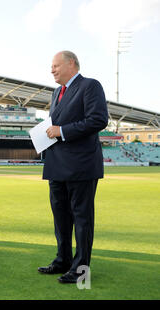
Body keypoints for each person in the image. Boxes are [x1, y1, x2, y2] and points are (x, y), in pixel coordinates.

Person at [38, 51, 108, 284]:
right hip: (56, 165)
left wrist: (62, 131)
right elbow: (55, 124)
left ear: (71, 64)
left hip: (81, 166)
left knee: (82, 219)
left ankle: (81, 270)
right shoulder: (56, 92)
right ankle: (63, 260)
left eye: (56, 65)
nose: (52, 70)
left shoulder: (90, 86)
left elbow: (98, 119)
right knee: (61, 218)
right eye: (51, 66)